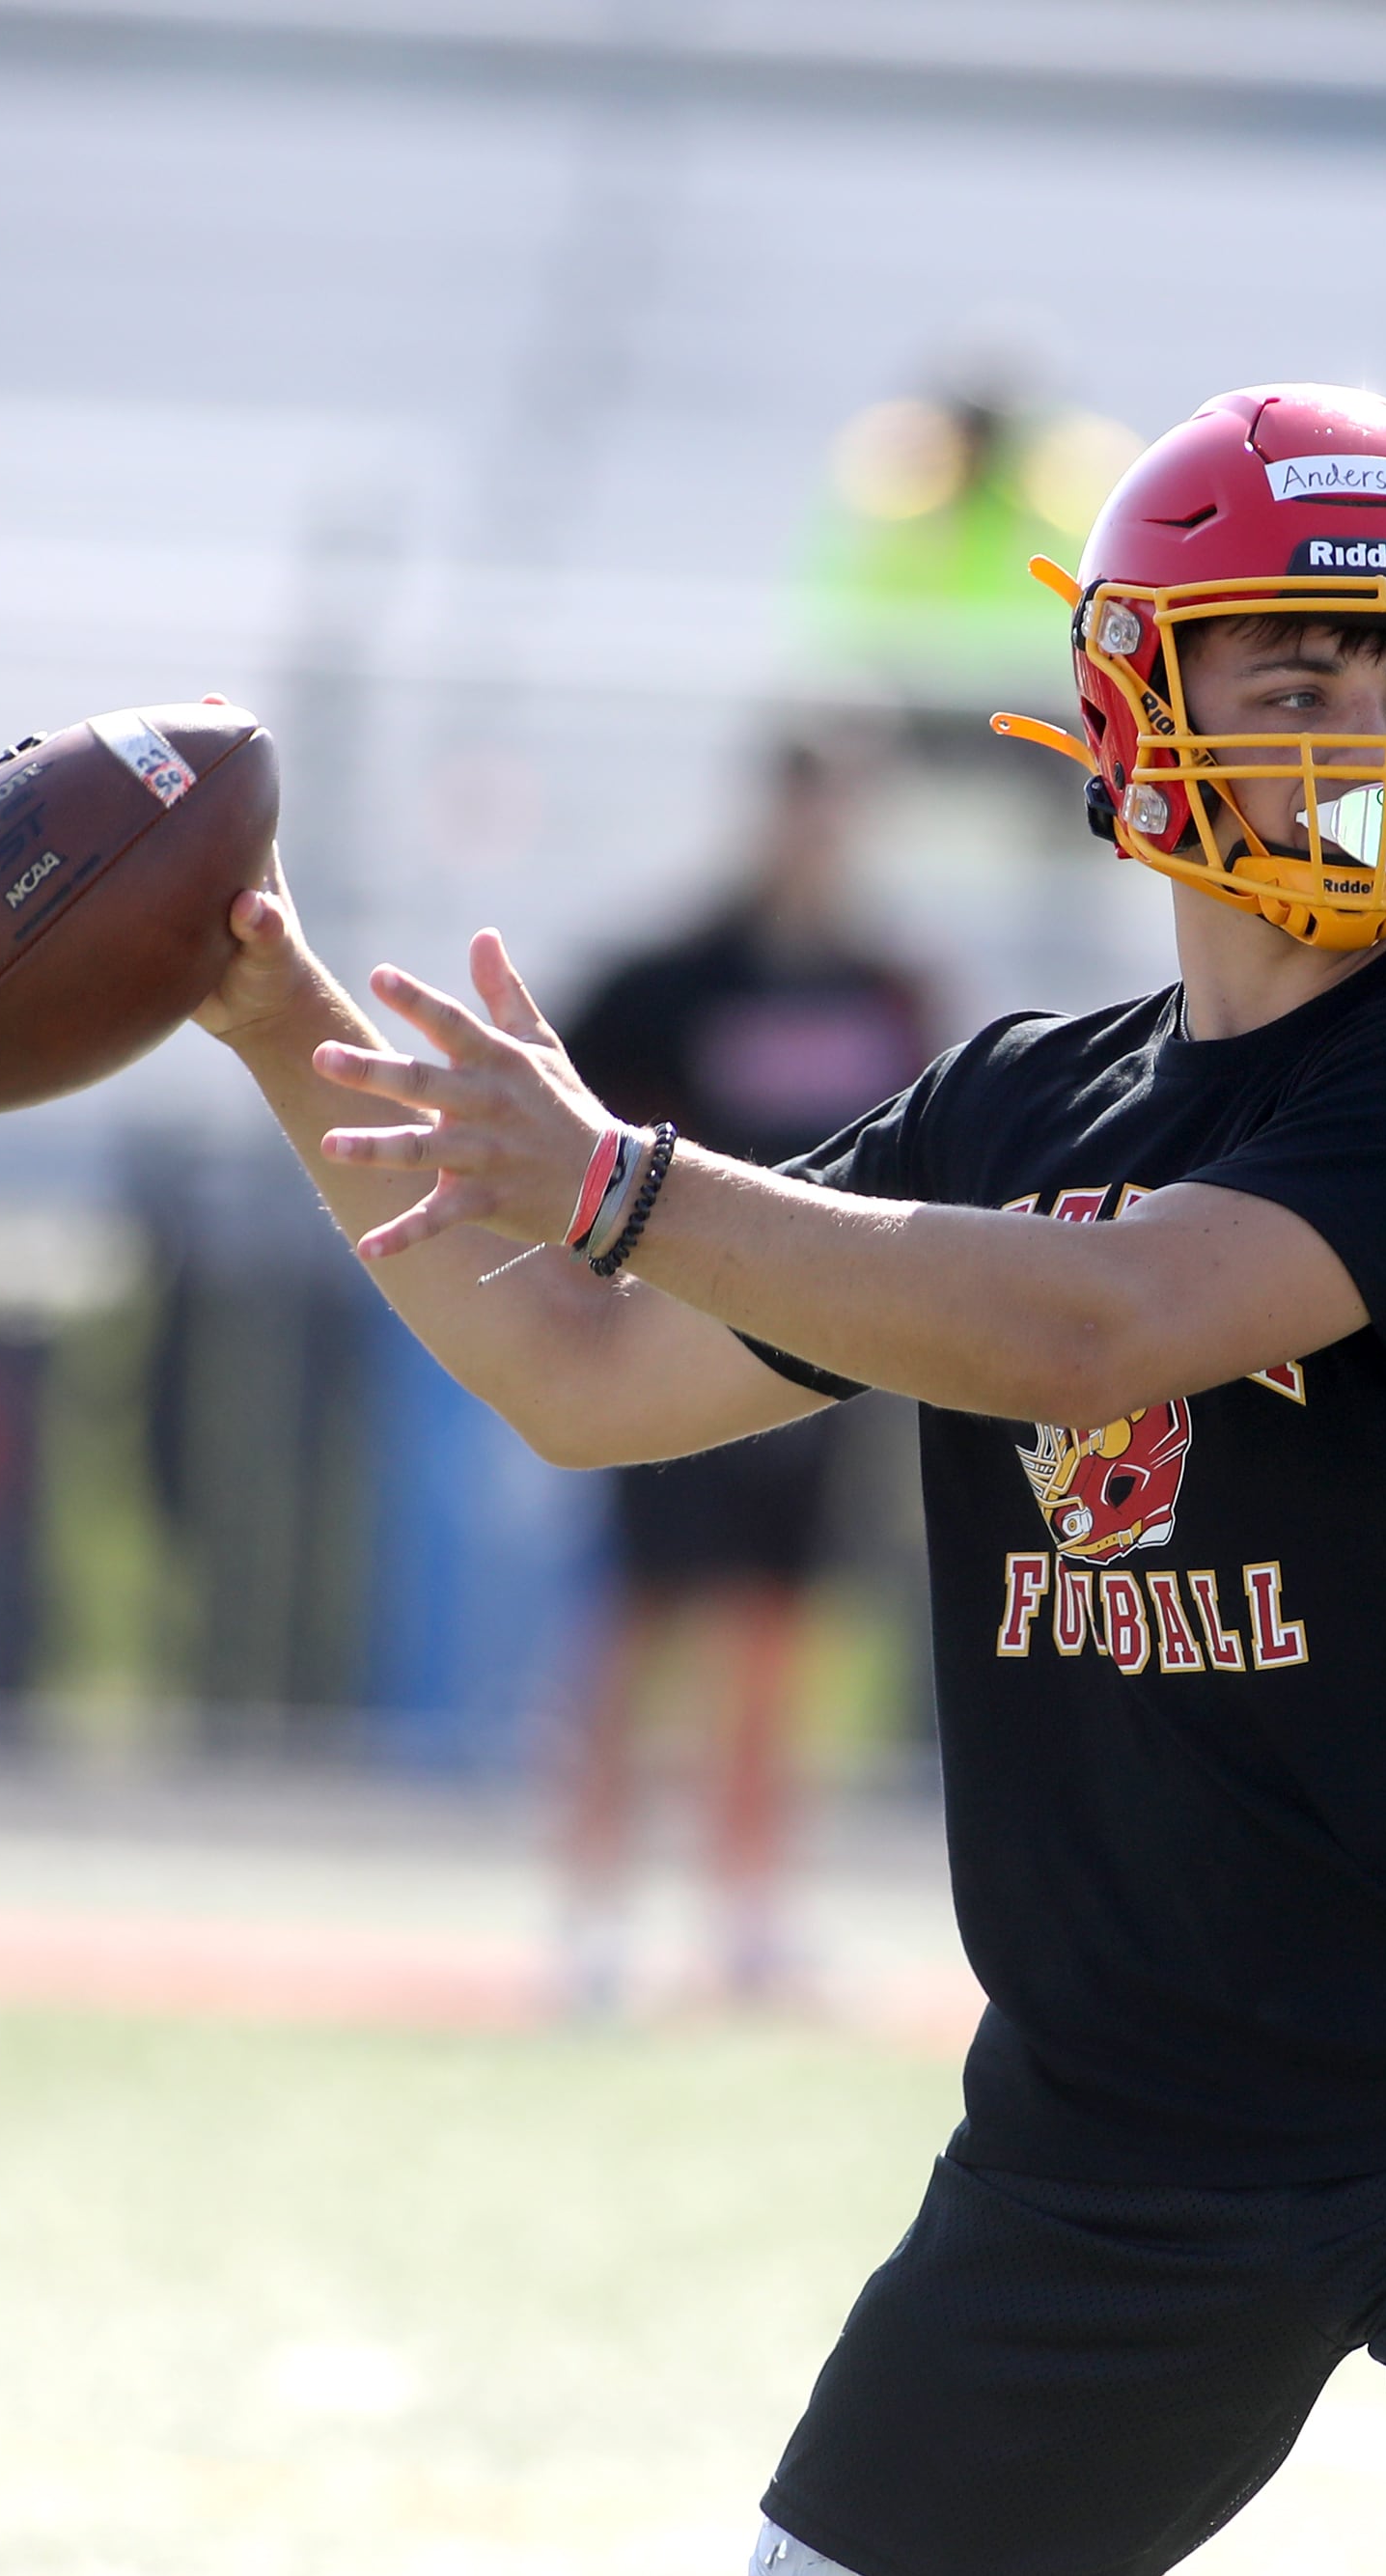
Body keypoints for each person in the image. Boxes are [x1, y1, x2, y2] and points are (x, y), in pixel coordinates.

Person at [192, 382, 1386, 2576]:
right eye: (1303, 669)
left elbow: (1091, 1324)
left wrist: (614, 1171)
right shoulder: (1012, 1101)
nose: (1380, 736)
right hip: (1121, 2124)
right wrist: (269, 1021)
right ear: (1134, 705)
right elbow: (584, 1379)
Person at [549, 733, 936, 2008]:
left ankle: (751, 1908)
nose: (820, 834)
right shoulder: (667, 980)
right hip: (673, 1340)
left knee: (783, 1634)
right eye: (803, 807)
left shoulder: (890, 990)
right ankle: (594, 1909)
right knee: (644, 1618)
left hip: (826, 1354)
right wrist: (588, 1295)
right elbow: (566, 1133)